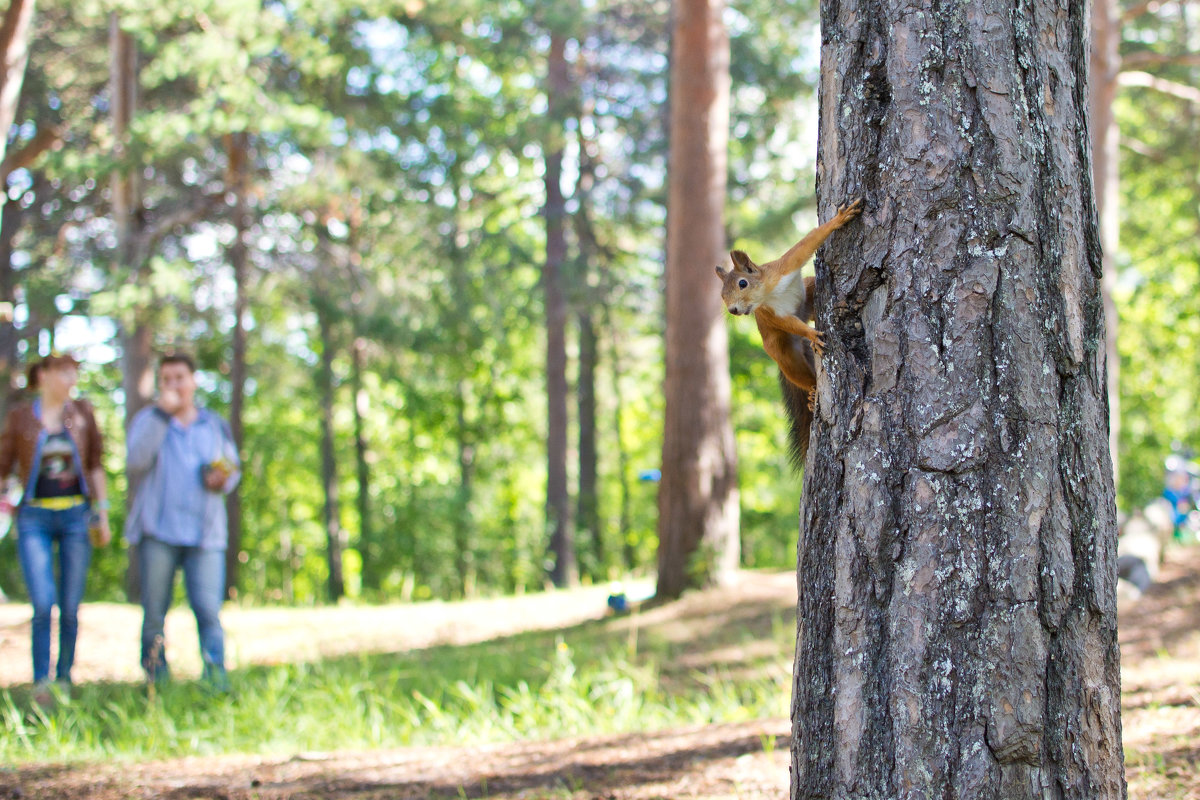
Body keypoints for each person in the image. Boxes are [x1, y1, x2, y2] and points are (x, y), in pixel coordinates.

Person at [0, 353, 113, 704]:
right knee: (43, 601)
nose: (71, 379)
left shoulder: (81, 414)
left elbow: (95, 465)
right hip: (34, 518)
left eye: (75, 372)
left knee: (70, 603)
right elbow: (3, 467)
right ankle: (40, 682)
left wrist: (103, 513)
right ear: (45, 375)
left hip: (76, 518)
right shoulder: (21, 418)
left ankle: (64, 679)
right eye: (65, 372)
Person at [124, 352, 240, 692]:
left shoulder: (214, 424)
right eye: (167, 379)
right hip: (158, 532)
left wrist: (222, 479)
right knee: (155, 611)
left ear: (193, 381)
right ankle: (155, 680)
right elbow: (135, 462)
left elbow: (232, 467)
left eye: (180, 378)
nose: (174, 385)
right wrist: (162, 414)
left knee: (208, 610)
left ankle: (216, 679)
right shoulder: (149, 420)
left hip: (205, 535)